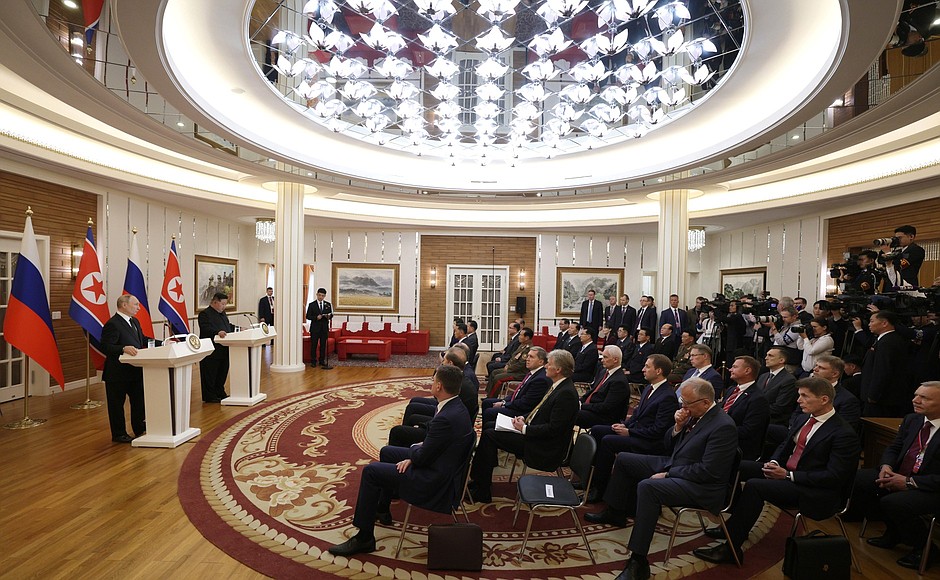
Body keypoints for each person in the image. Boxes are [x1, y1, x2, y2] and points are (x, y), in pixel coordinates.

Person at [694, 377, 860, 567]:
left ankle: (731, 549)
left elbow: (834, 477)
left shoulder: (843, 433)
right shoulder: (804, 418)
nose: (798, 400)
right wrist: (773, 462)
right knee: (736, 465)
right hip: (787, 472)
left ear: (824, 399)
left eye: (805, 396)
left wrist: (788, 475)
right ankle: (735, 523)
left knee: (755, 487)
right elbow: (785, 445)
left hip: (815, 490)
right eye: (799, 395)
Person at [585, 378, 738, 580]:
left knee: (649, 487)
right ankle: (615, 511)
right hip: (675, 464)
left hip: (701, 485)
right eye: (682, 402)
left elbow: (709, 471)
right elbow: (668, 445)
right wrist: (678, 427)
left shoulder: (723, 426)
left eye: (687, 403)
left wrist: (668, 474)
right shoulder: (695, 414)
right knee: (623, 459)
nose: (683, 407)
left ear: (705, 402)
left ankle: (638, 561)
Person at [328, 365, 474, 557]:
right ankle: (382, 508)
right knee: (387, 452)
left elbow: (421, 456)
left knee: (371, 472)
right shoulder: (457, 406)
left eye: (433, 381)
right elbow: (432, 446)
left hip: (434, 480)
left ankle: (364, 538)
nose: (431, 383)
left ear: (439, 386)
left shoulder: (446, 417)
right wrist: (417, 453)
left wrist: (413, 453)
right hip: (440, 464)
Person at [849, 381, 940, 572]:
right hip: (899, 473)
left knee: (895, 502)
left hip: (930, 485)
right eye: (916, 395)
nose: (915, 400)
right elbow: (894, 447)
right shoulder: (912, 420)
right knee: (857, 479)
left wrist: (909, 482)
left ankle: (926, 548)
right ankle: (894, 531)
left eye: (924, 398)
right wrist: (886, 466)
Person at [469, 349, 580, 503]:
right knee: (490, 427)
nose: (546, 366)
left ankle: (482, 490)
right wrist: (525, 418)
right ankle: (479, 481)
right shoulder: (559, 386)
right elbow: (540, 410)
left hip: (544, 446)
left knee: (489, 435)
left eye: (549, 364)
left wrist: (525, 428)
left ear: (558, 369)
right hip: (535, 434)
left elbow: (554, 429)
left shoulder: (566, 393)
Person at [587, 354, 679, 502]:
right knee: (597, 430)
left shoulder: (667, 396)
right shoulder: (649, 388)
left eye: (647, 366)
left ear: (658, 371)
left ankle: (600, 488)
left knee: (608, 441)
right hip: (636, 431)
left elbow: (659, 430)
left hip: (649, 441)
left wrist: (630, 432)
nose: (643, 369)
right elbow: (636, 415)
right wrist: (625, 425)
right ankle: (589, 478)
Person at [389, 347, 479, 446]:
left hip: (446, 430)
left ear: (450, 363)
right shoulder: (461, 377)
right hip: (450, 420)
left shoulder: (458, 383)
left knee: (396, 432)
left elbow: (444, 411)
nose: (442, 363)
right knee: (413, 410)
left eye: (443, 361)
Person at [101, 294, 153, 443]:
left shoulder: (134, 321)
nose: (138, 308)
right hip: (117, 373)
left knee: (139, 401)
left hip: (135, 370)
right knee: (117, 405)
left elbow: (142, 340)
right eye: (136, 304)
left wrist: (163, 343)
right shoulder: (113, 324)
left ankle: (139, 428)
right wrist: (123, 348)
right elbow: (105, 346)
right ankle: (119, 434)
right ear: (124, 305)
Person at [480, 347, 550, 427]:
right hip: (516, 403)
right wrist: (504, 401)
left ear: (541, 361)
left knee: (489, 412)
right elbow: (517, 392)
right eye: (527, 356)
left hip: (522, 412)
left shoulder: (540, 379)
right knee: (487, 402)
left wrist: (505, 404)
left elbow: (525, 403)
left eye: (531, 357)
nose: (527, 359)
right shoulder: (533, 373)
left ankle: (490, 430)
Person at [860, 310, 912, 416]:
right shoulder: (884, 339)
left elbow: (882, 370)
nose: (869, 324)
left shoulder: (888, 342)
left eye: (872, 321)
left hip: (882, 399)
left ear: (884, 323)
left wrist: (873, 395)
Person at [722, 356, 771, 461]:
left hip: (737, 448)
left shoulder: (758, 399)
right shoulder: (731, 390)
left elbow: (748, 431)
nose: (730, 369)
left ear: (747, 370)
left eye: (735, 367)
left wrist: (719, 429)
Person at [576, 346, 631, 429]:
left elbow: (606, 407)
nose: (602, 360)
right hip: (593, 409)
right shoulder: (603, 372)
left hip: (605, 418)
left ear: (615, 360)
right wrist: (580, 401)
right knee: (568, 408)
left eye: (605, 357)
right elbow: (593, 391)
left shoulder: (619, 381)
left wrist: (583, 406)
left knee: (571, 413)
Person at [198, 292, 235, 403]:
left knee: (222, 372)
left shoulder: (222, 313)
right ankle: (210, 396)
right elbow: (206, 329)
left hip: (224, 348)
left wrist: (238, 328)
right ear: (215, 302)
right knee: (210, 373)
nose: (224, 306)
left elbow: (227, 326)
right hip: (211, 349)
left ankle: (220, 392)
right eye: (222, 304)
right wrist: (217, 332)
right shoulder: (204, 314)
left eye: (225, 304)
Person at [485, 327, 533, 396]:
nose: (519, 337)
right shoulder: (522, 346)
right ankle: (488, 394)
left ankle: (492, 397)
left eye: (521, 335)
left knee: (498, 378)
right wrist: (507, 365)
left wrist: (509, 368)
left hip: (519, 373)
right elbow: (513, 358)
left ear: (527, 338)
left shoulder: (528, 349)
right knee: (494, 372)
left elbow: (521, 364)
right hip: (512, 369)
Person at [305, 287, 333, 369]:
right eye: (319, 295)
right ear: (317, 294)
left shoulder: (328, 304)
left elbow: (331, 315)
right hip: (315, 328)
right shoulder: (312, 305)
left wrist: (328, 316)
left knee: (323, 345)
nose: (321, 297)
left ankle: (322, 361)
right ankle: (313, 361)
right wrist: (316, 317)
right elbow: (308, 316)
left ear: (325, 296)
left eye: (322, 296)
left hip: (324, 328)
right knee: (314, 345)